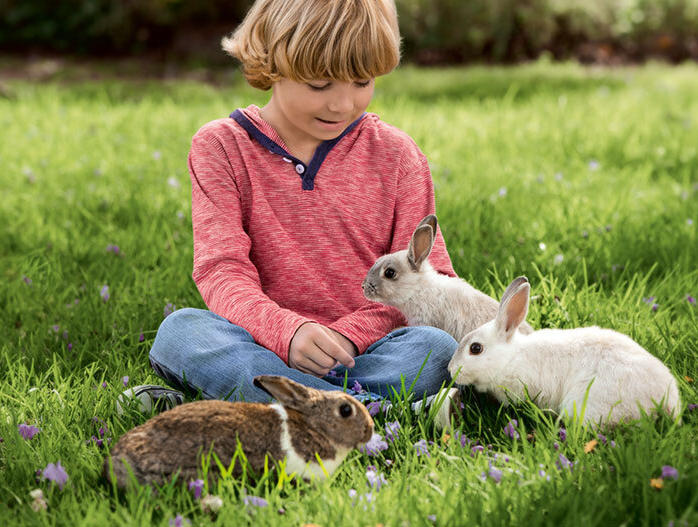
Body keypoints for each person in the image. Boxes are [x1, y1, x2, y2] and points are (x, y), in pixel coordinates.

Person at [121, 0, 459, 414]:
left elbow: (431, 281)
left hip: (365, 354)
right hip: (262, 343)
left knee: (436, 346)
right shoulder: (221, 147)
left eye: (362, 81)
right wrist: (288, 332)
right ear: (273, 63)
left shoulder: (397, 155)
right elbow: (221, 269)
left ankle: (275, 408)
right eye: (320, 85)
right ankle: (367, 413)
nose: (342, 104)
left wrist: (348, 337)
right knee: (182, 332)